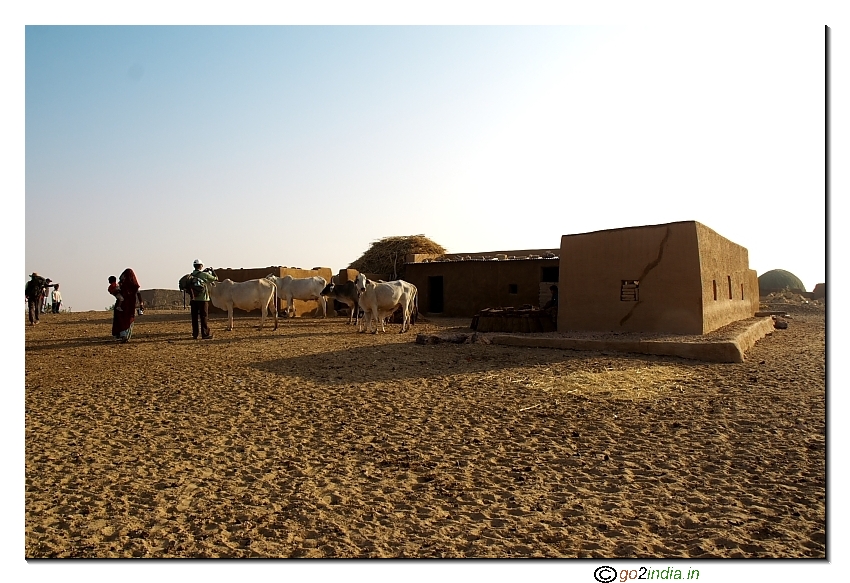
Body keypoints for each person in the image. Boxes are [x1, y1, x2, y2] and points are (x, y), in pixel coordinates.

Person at [111, 268, 144, 343]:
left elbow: (115, 291)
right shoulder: (134, 285)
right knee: (128, 319)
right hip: (129, 305)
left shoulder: (122, 283)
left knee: (121, 319)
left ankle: (123, 335)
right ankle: (125, 335)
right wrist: (141, 304)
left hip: (123, 305)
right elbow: (138, 294)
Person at [189, 259, 217, 340]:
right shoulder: (204, 275)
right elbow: (215, 278)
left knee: (194, 317)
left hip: (193, 300)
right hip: (203, 299)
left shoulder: (191, 275)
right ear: (201, 266)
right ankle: (205, 334)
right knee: (203, 317)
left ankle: (195, 334)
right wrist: (212, 271)